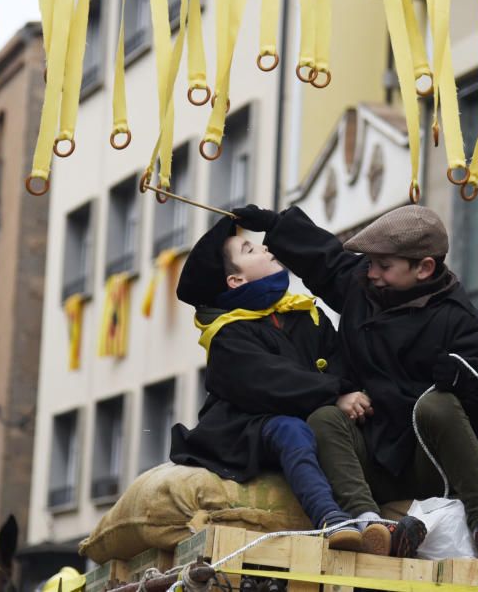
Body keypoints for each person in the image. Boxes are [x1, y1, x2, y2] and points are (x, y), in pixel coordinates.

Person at [232, 204, 478, 563]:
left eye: (383, 266)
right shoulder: (362, 285)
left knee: (438, 403)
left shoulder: (457, 317)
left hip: (429, 464)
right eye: (370, 262)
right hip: (373, 458)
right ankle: (369, 522)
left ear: (424, 268)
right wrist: (275, 225)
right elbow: (323, 258)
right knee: (324, 417)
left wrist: (458, 376)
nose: (371, 272)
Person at [170, 217, 418, 556]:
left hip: (313, 412)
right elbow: (271, 381)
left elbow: (339, 358)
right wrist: (335, 394)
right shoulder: (227, 333)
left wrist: (354, 396)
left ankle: (383, 516)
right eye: (250, 248)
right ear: (236, 279)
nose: (265, 247)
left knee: (353, 425)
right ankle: (332, 520)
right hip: (249, 426)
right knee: (292, 431)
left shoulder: (303, 313)